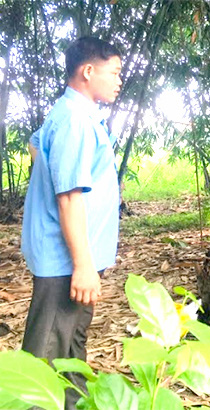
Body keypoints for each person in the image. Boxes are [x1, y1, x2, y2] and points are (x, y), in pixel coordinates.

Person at [21, 37, 122, 409]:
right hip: (66, 262)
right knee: (46, 355)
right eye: (114, 72)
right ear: (88, 71)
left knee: (70, 345)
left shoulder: (73, 115)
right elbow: (68, 197)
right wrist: (82, 264)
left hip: (75, 259)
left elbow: (37, 146)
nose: (118, 80)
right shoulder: (75, 120)